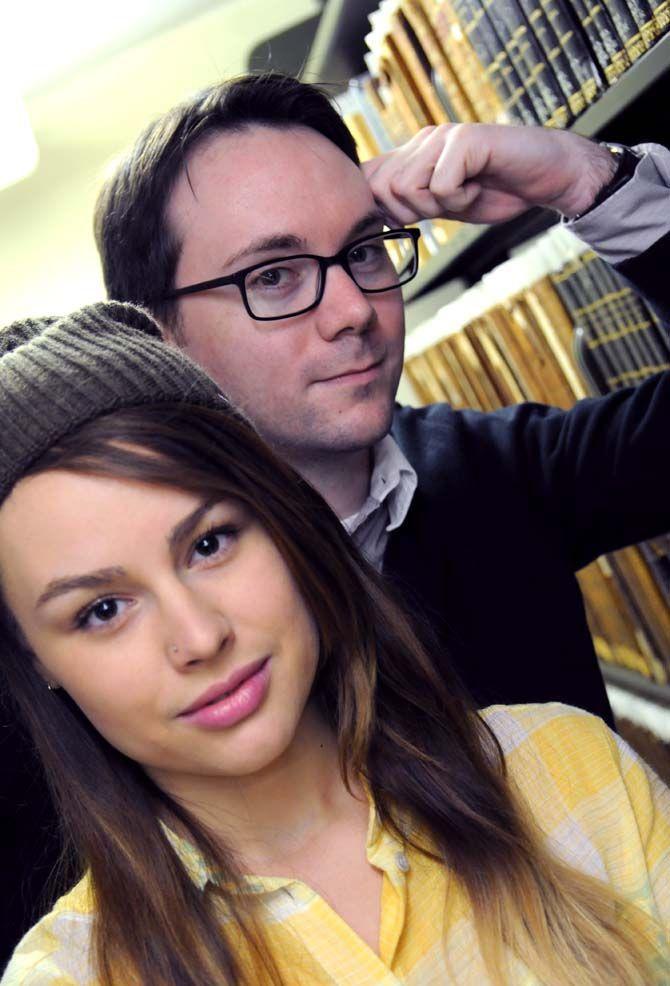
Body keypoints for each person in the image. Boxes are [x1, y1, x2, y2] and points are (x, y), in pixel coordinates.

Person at [0, 301, 668, 986]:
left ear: (285, 524)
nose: (199, 636)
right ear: (35, 659)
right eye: (103, 609)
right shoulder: (67, 976)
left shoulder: (566, 770)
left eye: (210, 543)